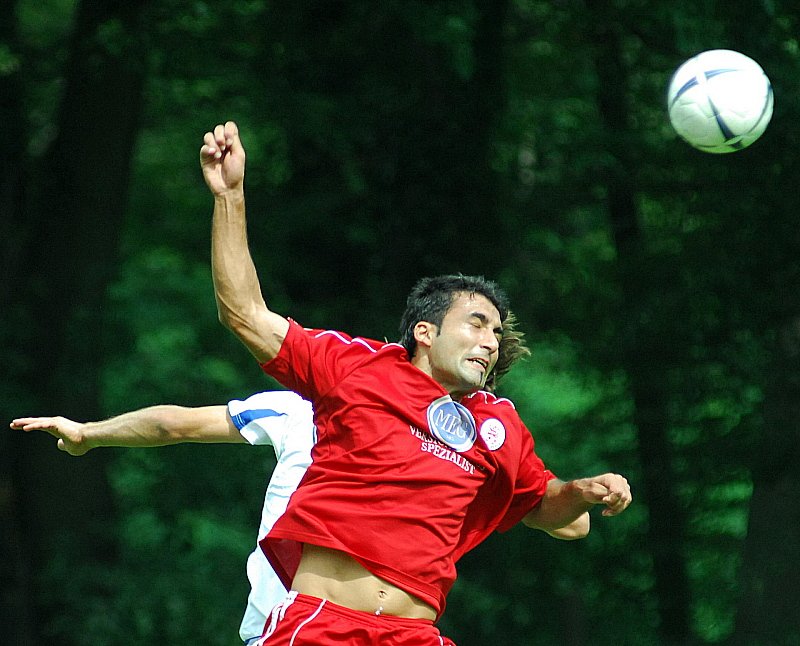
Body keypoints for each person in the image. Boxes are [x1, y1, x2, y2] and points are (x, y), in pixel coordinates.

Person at [200, 121, 632, 645]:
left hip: (416, 635)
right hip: (323, 627)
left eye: (497, 332)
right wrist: (229, 196)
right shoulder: (359, 368)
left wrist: (581, 492)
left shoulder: (496, 425)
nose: (490, 341)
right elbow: (244, 314)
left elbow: (546, 509)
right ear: (425, 332)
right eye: (476, 324)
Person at [11, 391, 315, 645]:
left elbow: (172, 425)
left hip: (285, 630)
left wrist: (85, 433)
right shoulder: (306, 412)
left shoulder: (301, 411)